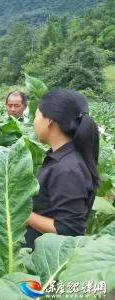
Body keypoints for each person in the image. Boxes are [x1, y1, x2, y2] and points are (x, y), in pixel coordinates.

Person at [25, 89, 99, 249]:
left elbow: (69, 231)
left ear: (49, 120)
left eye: (37, 116)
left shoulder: (68, 168)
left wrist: (22, 214)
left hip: (48, 265)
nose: (34, 122)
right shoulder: (62, 157)